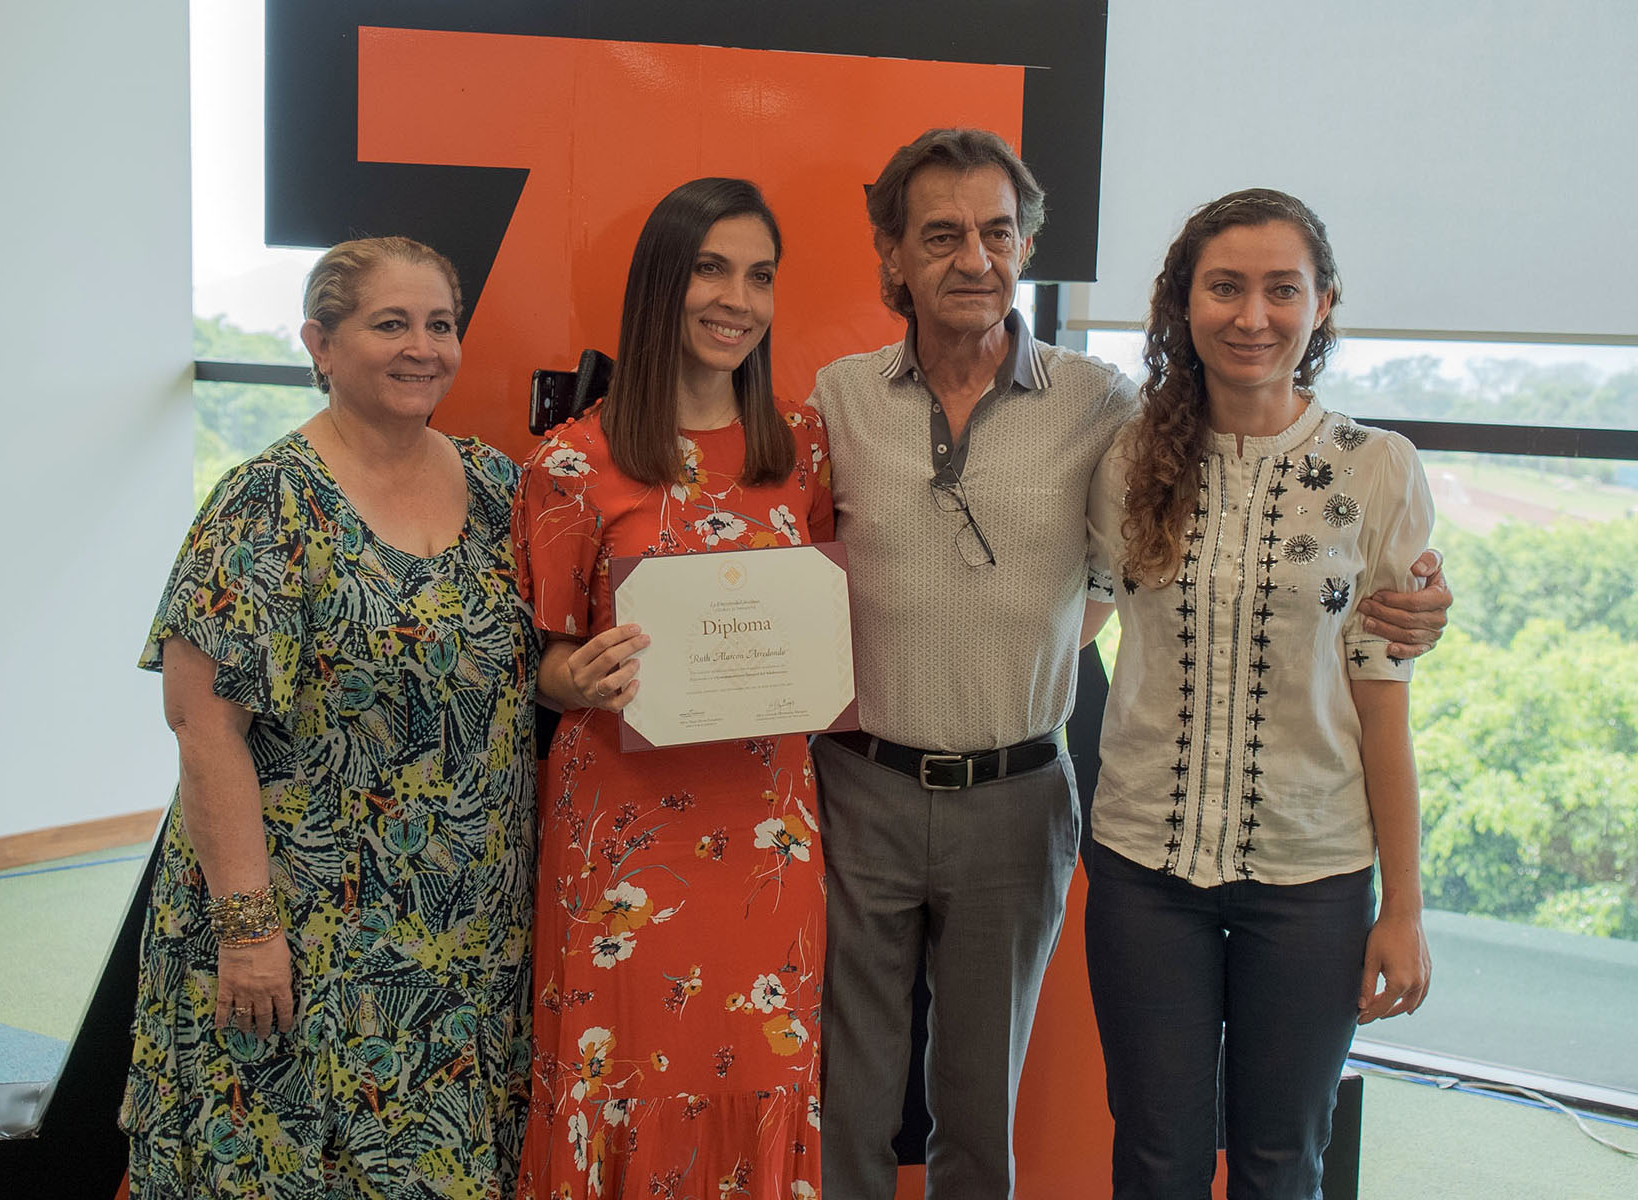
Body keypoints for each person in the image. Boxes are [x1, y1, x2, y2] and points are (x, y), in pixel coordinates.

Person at [807, 130, 1452, 1199]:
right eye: (943, 235)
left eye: (999, 233)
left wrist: (1419, 611)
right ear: (893, 257)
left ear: (1323, 304)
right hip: (984, 820)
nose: (976, 258)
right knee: (937, 1108)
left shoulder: (1132, 415)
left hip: (1143, 827)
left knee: (1051, 1115)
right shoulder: (866, 402)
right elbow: (1086, 592)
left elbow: (1364, 677)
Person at [120, 237, 537, 1199]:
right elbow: (200, 722)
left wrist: (585, 671)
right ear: (321, 343)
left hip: (463, 947)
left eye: (440, 324)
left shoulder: (496, 486)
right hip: (303, 941)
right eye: (389, 324)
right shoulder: (263, 503)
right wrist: (248, 929)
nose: (421, 347)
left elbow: (513, 667)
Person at [1082, 188, 1433, 1199]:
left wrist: (1403, 906)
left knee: (1284, 1161)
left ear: (1322, 304)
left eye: (1283, 290)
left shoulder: (1378, 471)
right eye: (1225, 288)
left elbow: (1383, 697)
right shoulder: (1127, 457)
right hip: (1144, 869)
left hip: (1314, 880)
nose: (1252, 316)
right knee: (1157, 1154)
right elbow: (1074, 619)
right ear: (1182, 305)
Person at [513, 177, 831, 1198]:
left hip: (766, 833)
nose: (736, 298)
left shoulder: (805, 447)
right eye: (711, 268)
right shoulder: (572, 460)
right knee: (621, 1073)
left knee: (762, 1067)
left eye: (760, 276)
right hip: (621, 835)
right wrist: (585, 676)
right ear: (662, 283)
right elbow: (544, 669)